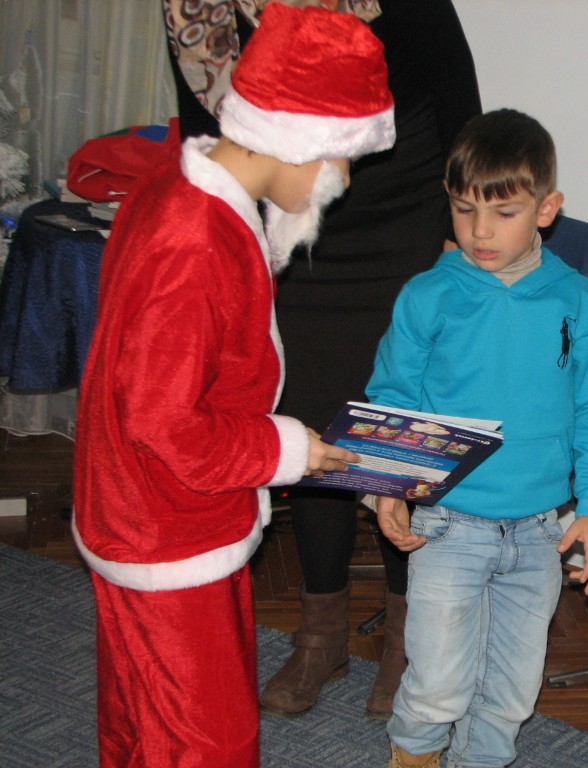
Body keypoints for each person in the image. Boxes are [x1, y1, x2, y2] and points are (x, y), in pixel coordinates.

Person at [72, 6, 394, 765]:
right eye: (345, 158)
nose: (344, 181)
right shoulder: (196, 240)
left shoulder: (179, 189)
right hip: (166, 526)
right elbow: (164, 421)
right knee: (206, 736)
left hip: (151, 509)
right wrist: (288, 450)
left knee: (142, 713)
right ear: (301, 139)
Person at [164, 0, 483, 719]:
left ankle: (405, 636)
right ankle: (322, 632)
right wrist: (220, 227)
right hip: (290, 213)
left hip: (405, 208)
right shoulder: (194, 5)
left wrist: (455, 234)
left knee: (397, 426)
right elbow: (202, 123)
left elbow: (459, 102)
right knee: (305, 411)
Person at [366, 108, 588, 768]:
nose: (480, 231)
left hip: (539, 533)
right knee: (437, 688)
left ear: (547, 209)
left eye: (504, 212)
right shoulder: (428, 295)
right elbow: (392, 397)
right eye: (463, 209)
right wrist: (389, 486)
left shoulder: (579, 301)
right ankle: (413, 757)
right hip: (447, 524)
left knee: (510, 697)